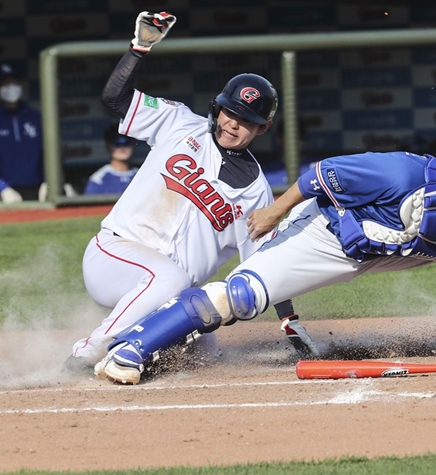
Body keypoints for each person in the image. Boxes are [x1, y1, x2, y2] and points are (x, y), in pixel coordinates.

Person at [93, 141, 436, 384]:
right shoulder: (403, 175)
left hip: (400, 250)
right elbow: (320, 175)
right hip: (332, 239)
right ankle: (132, 347)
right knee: (239, 298)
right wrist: (273, 214)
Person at [64, 11, 314, 377]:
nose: (234, 123)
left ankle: (130, 360)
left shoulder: (257, 192)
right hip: (114, 256)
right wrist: (140, 48)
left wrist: (289, 320)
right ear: (218, 107)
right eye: (231, 112)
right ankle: (87, 353)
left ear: (263, 129)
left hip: (167, 295)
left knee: (203, 353)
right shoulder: (179, 122)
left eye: (247, 120)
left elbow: (267, 262)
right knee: (170, 279)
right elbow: (115, 99)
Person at [0, 63, 44, 203]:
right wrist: (2, 188)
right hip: (5, 191)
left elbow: (48, 154)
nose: (11, 87)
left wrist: (48, 182)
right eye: (6, 84)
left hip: (35, 189)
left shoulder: (35, 117)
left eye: (14, 83)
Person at [83, 124, 139, 195]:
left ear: (134, 144)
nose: (122, 147)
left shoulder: (142, 176)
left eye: (127, 142)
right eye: (117, 143)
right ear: (107, 146)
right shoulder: (98, 180)